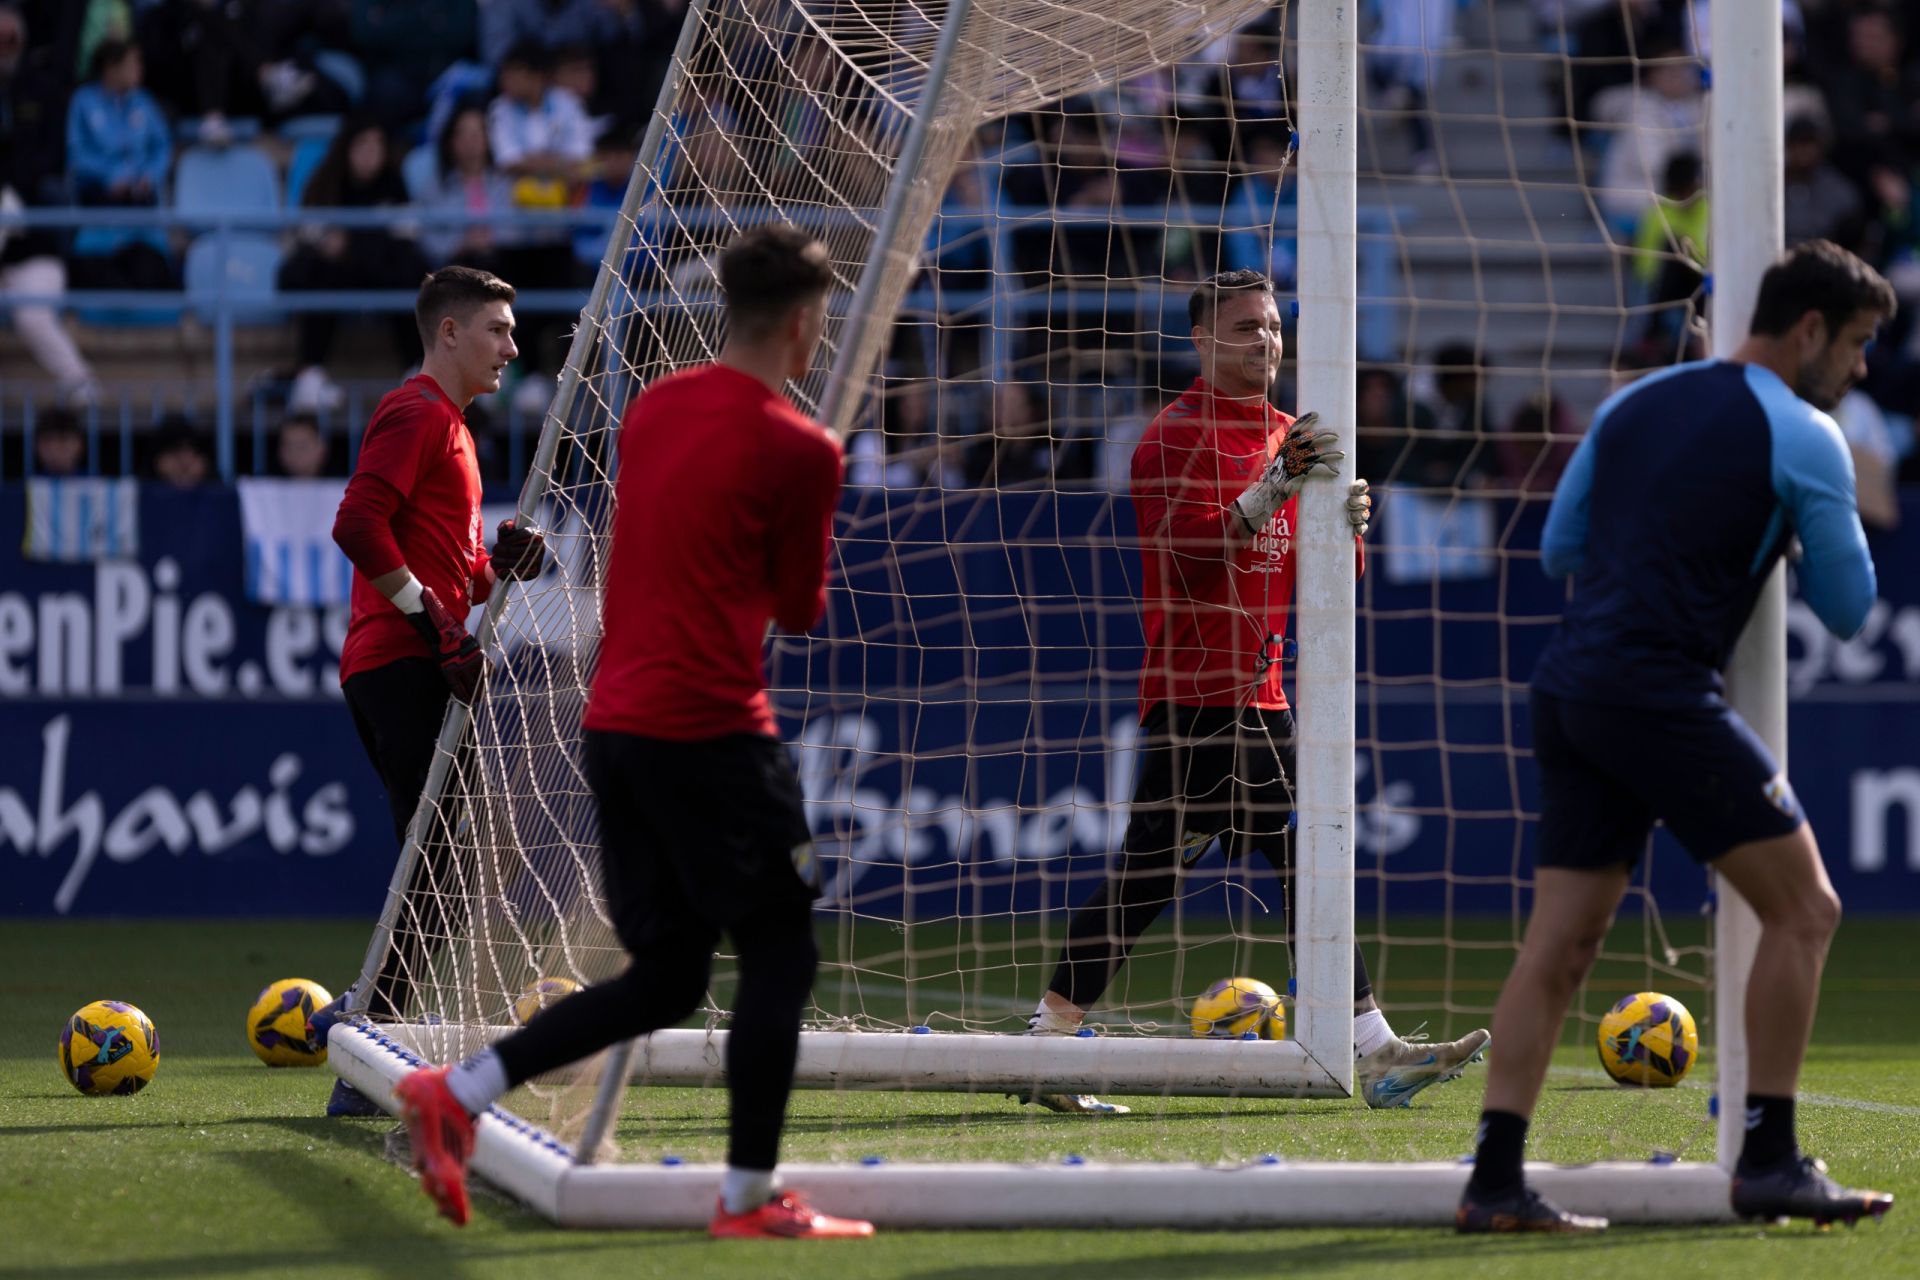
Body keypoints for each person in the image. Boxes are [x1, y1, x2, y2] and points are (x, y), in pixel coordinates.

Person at [385, 227, 873, 1241]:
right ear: (801, 321)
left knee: (669, 976)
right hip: (712, 730)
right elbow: (802, 605)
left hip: (615, 725)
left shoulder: (651, 410)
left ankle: (459, 1089)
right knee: (781, 948)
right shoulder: (801, 445)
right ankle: (746, 1197)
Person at [1458, 240, 1898, 1233]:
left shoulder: (1631, 405)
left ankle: (1492, 1181)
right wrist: (1796, 518)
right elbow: (1848, 608)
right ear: (1811, 330)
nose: (1864, 368)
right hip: (1657, 692)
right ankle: (1772, 1159)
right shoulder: (1804, 433)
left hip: (1571, 687)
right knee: (1808, 909)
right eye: (1860, 343)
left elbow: (1559, 546)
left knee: (1558, 944)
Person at [1023, 269, 1490, 1114]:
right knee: (1191, 873)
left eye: (1272, 326)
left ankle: (1054, 1042)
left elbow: (1327, 582)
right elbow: (1189, 555)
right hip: (1198, 692)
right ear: (1201, 342)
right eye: (1244, 328)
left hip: (1262, 694)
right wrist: (1277, 487)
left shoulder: (1292, 434)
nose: (1264, 341)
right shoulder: (1173, 436)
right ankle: (1371, 1049)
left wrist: (1346, 527)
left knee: (1252, 865)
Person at [310, 267, 546, 1118]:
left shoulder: (450, 427)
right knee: (444, 861)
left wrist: (490, 573)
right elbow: (355, 524)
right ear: (448, 333)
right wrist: (437, 628)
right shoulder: (416, 412)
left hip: (408, 657)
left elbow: (445, 568)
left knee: (441, 859)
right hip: (402, 660)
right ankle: (365, 1039)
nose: (511, 348)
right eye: (497, 329)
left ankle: (362, 1022)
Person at [278, 117, 431, 413]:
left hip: (382, 271)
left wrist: (352, 242)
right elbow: (310, 234)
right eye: (362, 145)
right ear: (346, 148)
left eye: (377, 146)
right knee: (320, 274)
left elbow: (406, 234)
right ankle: (310, 375)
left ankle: (415, 370)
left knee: (410, 274)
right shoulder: (325, 182)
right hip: (338, 273)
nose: (370, 154)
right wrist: (347, 242)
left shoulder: (394, 184)